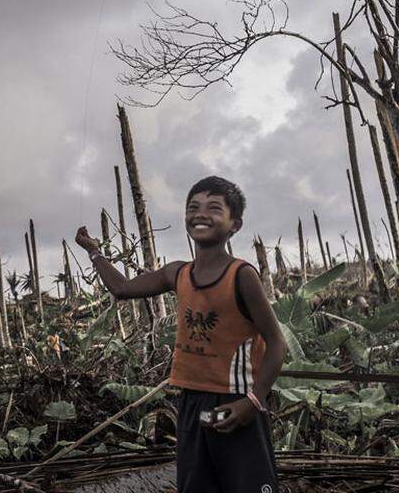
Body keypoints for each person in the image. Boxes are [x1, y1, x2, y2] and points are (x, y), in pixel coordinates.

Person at [75, 175, 287, 493]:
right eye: (193, 207)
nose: (201, 213)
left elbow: (276, 343)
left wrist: (252, 402)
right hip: (194, 405)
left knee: (246, 484)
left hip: (234, 401)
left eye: (214, 208)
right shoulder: (178, 273)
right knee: (197, 484)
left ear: (235, 224)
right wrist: (94, 252)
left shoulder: (241, 276)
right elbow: (121, 288)